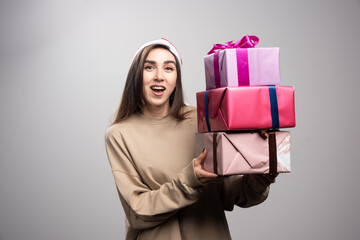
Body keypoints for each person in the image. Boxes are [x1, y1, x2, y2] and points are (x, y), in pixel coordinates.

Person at [105, 38, 277, 240]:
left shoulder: (202, 119)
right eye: (149, 67)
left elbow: (228, 193)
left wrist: (259, 175)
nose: (159, 76)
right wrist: (191, 179)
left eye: (169, 68)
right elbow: (138, 211)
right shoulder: (119, 134)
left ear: (176, 78)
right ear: (136, 75)